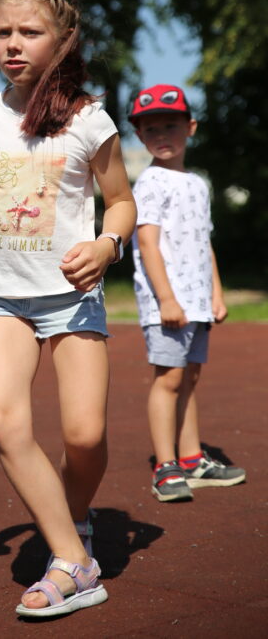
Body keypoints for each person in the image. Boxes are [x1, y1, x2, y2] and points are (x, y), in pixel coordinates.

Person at [0, 0, 136, 620]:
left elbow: (121, 201)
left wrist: (107, 245)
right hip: (5, 300)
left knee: (85, 436)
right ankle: (73, 561)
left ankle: (75, 517)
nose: (12, 44)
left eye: (29, 32)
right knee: (5, 421)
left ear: (64, 38)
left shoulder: (89, 120)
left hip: (72, 299)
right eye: (2, 32)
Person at [128, 84, 246, 502]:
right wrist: (167, 299)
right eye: (151, 128)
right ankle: (165, 466)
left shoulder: (197, 183)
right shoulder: (150, 182)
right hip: (169, 302)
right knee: (169, 379)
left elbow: (203, 242)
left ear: (190, 127)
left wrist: (216, 293)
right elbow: (147, 243)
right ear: (139, 135)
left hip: (196, 301)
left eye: (171, 126)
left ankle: (193, 459)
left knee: (190, 379)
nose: (161, 135)